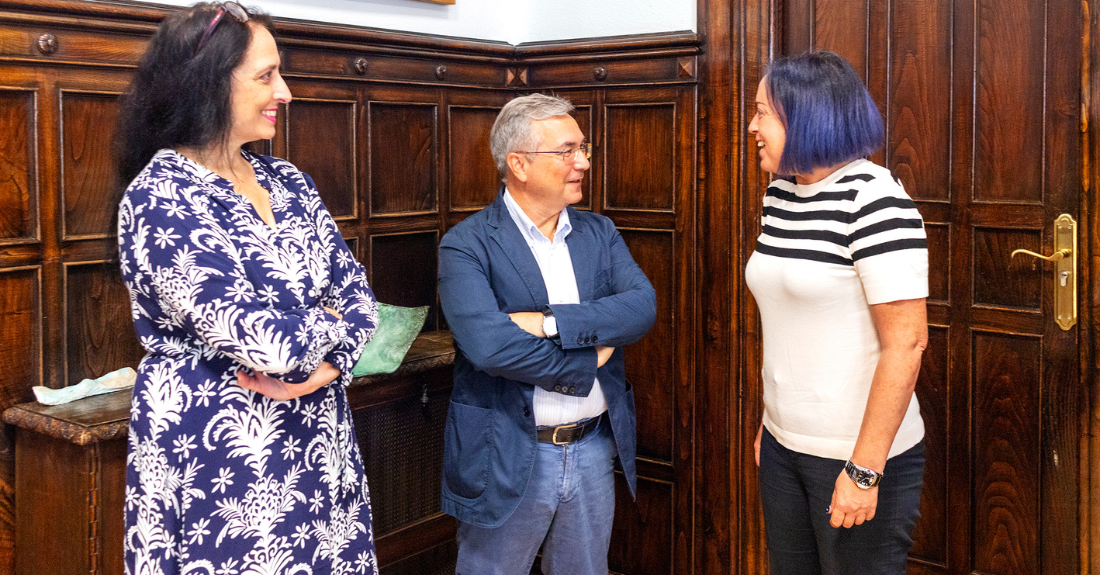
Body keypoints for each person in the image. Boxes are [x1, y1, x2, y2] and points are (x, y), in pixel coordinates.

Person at [114, 3, 381, 574]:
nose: (285, 91)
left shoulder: (289, 181)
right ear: (207, 84)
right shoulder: (160, 199)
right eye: (265, 76)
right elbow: (271, 348)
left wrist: (329, 362)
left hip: (317, 437)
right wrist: (331, 328)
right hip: (219, 451)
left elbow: (363, 303)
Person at [438, 93, 656, 575]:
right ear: (518, 163)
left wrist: (549, 323)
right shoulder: (466, 245)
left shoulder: (600, 232)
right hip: (507, 451)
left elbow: (642, 307)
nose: (581, 162)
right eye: (565, 151)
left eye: (583, 148)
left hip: (594, 447)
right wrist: (585, 360)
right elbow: (490, 347)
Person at [746, 50, 929, 574]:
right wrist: (772, 422)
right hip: (782, 446)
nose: (752, 126)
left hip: (855, 455)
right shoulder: (782, 194)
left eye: (763, 113)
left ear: (807, 117)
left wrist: (864, 471)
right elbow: (792, 325)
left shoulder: (874, 200)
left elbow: (906, 343)